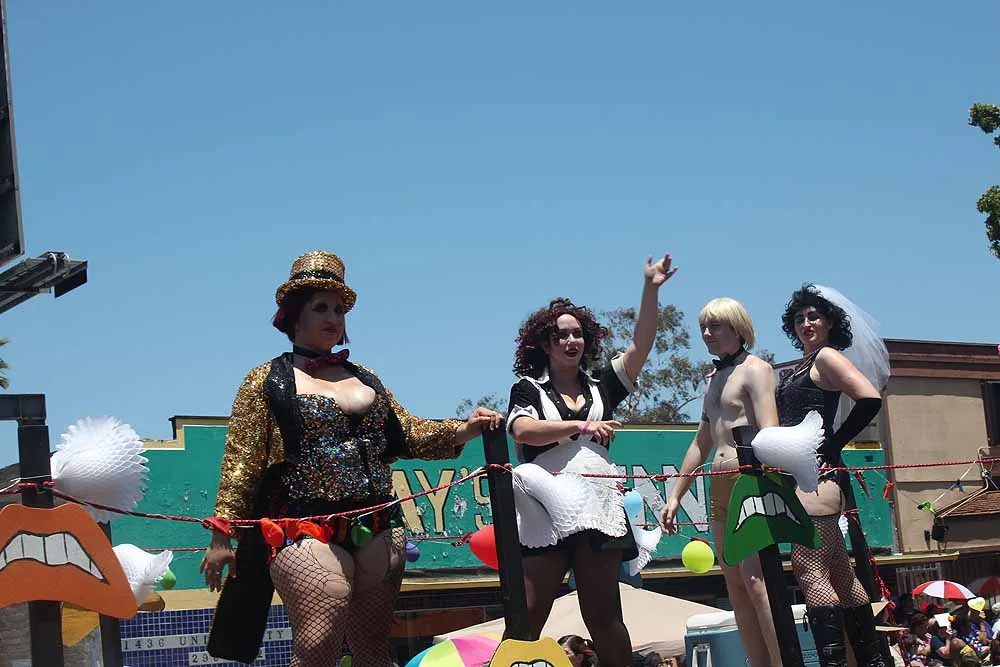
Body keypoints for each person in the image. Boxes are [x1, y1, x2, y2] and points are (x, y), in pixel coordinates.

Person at [201, 251, 503, 667]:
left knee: (373, 649)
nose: (333, 318)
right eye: (320, 308)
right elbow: (241, 461)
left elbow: (408, 432)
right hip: (303, 527)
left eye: (339, 310)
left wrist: (463, 429)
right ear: (294, 316)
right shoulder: (266, 381)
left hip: (378, 524)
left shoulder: (365, 377)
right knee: (319, 643)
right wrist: (221, 537)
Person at [505, 254, 676, 667]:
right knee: (529, 613)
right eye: (561, 335)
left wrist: (651, 288)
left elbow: (641, 346)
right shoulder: (528, 389)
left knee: (603, 616)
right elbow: (522, 431)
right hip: (545, 507)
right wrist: (580, 427)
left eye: (577, 334)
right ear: (544, 344)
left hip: (598, 508)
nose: (571, 341)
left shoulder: (603, 387)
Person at [659, 297, 782, 667]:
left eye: (715, 326)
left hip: (750, 481)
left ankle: (783, 660)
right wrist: (676, 494)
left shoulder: (757, 369)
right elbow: (701, 442)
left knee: (757, 581)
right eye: (703, 327)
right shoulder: (712, 379)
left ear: (737, 328)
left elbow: (770, 429)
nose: (707, 334)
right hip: (718, 484)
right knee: (736, 586)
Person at [776, 284, 889, 667]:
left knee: (810, 570)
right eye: (799, 318)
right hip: (806, 478)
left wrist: (834, 443)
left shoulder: (826, 357)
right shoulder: (805, 363)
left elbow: (869, 398)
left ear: (829, 322)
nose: (806, 323)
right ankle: (870, 661)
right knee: (839, 571)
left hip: (818, 477)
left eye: (814, 316)